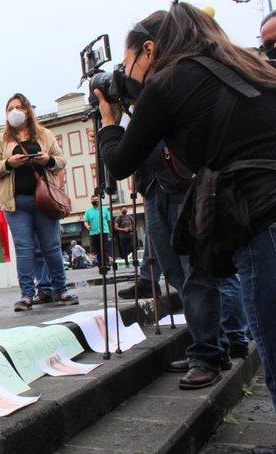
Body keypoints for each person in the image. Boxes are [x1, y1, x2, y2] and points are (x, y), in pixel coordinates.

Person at [95, 4, 276, 403]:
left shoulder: (171, 81)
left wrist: (109, 119)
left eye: (128, 65)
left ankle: (218, 345)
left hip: (261, 216)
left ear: (149, 50)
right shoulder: (245, 63)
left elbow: (120, 161)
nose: (127, 77)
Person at [0, 93, 78, 312]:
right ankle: (27, 295)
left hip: (45, 200)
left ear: (27, 110)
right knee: (25, 249)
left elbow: (61, 160)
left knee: (51, 247)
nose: (14, 112)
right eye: (9, 109)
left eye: (18, 107)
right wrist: (8, 163)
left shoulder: (44, 134)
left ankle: (60, 290)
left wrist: (48, 160)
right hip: (16, 203)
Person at [83, 195, 112, 267]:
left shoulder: (104, 209)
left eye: (96, 200)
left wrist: (110, 231)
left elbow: (109, 221)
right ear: (91, 201)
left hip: (104, 231)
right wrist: (87, 226)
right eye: (93, 200)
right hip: (93, 232)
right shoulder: (88, 211)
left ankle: (107, 264)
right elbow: (85, 221)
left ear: (99, 201)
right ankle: (101, 264)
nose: (95, 201)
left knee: (104, 248)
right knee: (98, 249)